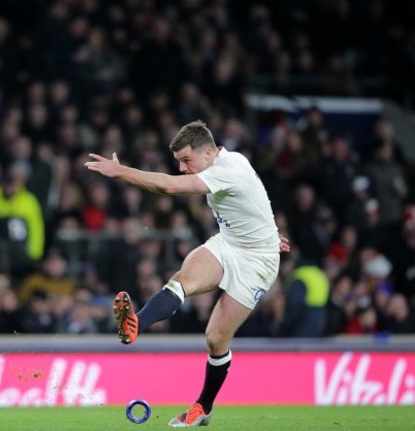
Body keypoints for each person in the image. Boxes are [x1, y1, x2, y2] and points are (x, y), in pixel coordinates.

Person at [85, 120, 290, 427]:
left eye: (186, 160)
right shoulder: (224, 165)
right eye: (179, 162)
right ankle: (135, 323)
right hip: (229, 243)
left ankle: (203, 407)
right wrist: (269, 231)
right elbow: (255, 198)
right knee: (181, 281)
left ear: (208, 152)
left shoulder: (229, 167)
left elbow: (169, 187)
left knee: (215, 339)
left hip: (257, 262)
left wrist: (122, 172)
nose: (182, 168)